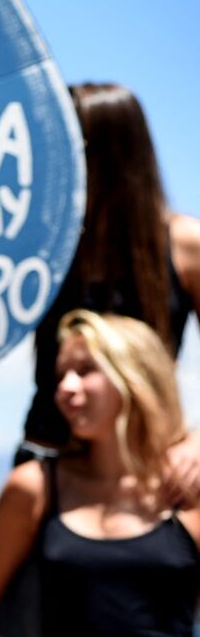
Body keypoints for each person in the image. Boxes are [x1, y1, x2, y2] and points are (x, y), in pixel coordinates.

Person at [0, 310, 200, 637]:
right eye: (62, 375)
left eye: (86, 370)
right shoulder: (35, 487)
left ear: (135, 375)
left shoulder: (187, 490)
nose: (65, 388)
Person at [20, 83, 200, 498]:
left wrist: (195, 443)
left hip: (154, 471)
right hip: (48, 463)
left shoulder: (184, 247)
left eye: (68, 141)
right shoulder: (43, 244)